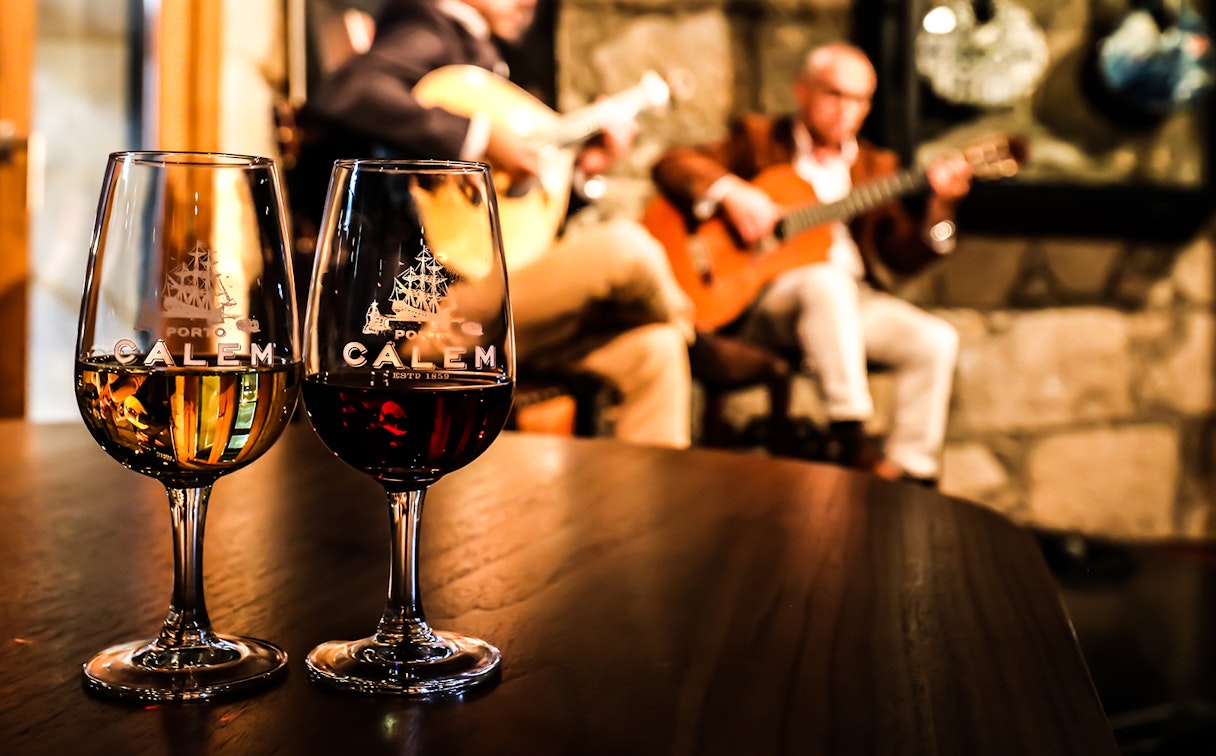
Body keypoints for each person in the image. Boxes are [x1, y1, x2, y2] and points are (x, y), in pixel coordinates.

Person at [294, 0, 695, 448]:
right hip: (423, 313)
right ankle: (698, 322)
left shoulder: (487, 59)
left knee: (655, 350)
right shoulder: (430, 25)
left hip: (484, 296)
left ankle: (645, 509)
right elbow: (350, 90)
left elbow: (504, 225)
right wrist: (477, 138)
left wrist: (583, 174)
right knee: (626, 247)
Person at [651, 42, 973, 484]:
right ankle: (853, 436)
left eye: (860, 100)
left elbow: (900, 257)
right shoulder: (760, 139)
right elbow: (673, 164)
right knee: (825, 283)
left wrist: (939, 208)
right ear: (802, 90)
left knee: (935, 340)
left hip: (851, 302)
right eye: (835, 95)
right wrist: (732, 191)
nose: (847, 110)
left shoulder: (876, 166)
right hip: (766, 300)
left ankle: (911, 473)